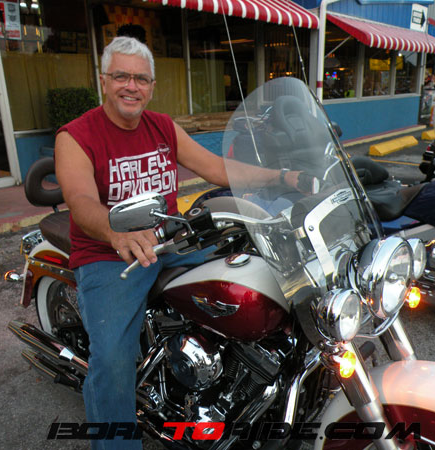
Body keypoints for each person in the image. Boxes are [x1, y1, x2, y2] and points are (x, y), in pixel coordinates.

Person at [54, 36, 307, 449]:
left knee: (252, 283)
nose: (131, 86)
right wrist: (116, 232)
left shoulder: (162, 126)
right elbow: (80, 201)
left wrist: (283, 178)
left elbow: (218, 169)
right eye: (121, 76)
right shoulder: (76, 135)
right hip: (110, 254)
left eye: (140, 79)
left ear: (152, 86)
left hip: (171, 242)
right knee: (113, 361)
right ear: (103, 80)